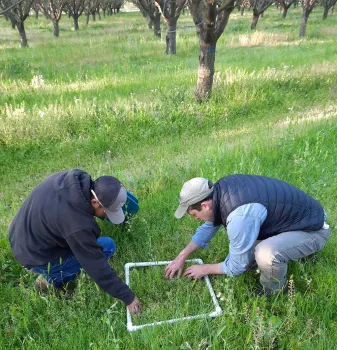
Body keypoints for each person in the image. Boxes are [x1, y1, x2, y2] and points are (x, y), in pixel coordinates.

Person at [165, 175, 330, 294]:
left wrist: (205, 269)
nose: (195, 219)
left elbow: (237, 266)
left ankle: (273, 292)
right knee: (248, 251)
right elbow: (209, 227)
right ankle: (296, 251)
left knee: (265, 253)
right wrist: (183, 255)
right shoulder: (222, 190)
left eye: (194, 214)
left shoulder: (239, 217)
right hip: (297, 221)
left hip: (313, 231)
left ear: (205, 205)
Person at [9, 169, 141, 313]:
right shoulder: (77, 225)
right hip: (33, 254)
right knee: (107, 247)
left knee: (99, 243)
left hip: (22, 234)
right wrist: (128, 297)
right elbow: (96, 265)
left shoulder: (75, 180)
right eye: (107, 212)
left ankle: (54, 268)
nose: (107, 216)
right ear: (95, 202)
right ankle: (48, 280)